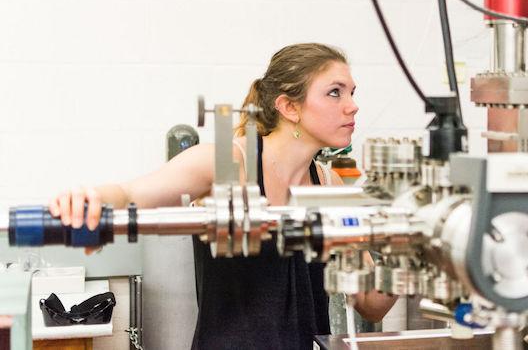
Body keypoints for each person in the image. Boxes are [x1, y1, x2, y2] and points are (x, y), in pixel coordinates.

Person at [48, 43, 397, 349]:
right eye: (335, 92)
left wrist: (408, 257)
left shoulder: (329, 185)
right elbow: (129, 193)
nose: (352, 106)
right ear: (290, 107)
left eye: (352, 92)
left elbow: (371, 303)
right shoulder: (232, 164)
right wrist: (90, 198)